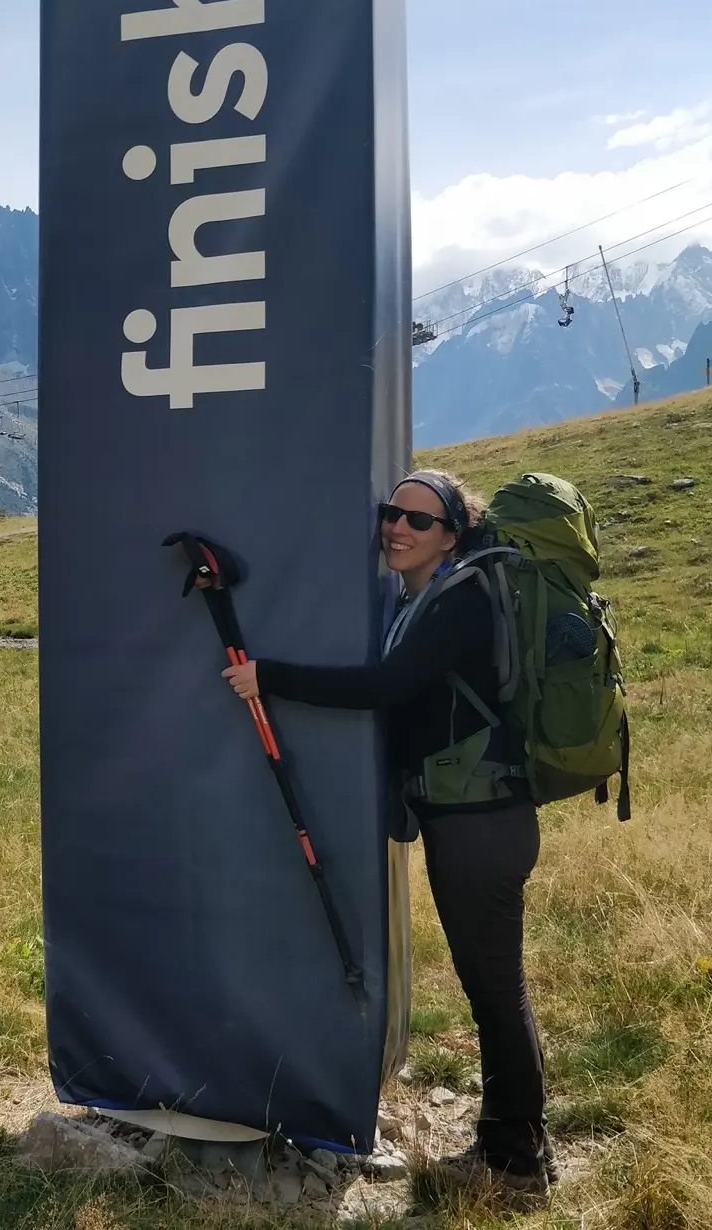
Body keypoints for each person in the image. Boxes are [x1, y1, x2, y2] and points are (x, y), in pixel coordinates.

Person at [220, 469, 552, 1198]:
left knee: (496, 990)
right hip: (473, 820)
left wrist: (265, 676)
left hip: (480, 826)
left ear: (452, 536)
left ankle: (517, 1160)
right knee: (493, 986)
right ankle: (514, 1143)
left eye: (418, 521)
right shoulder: (428, 596)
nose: (396, 528)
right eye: (390, 513)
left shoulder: (460, 603)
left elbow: (383, 689)